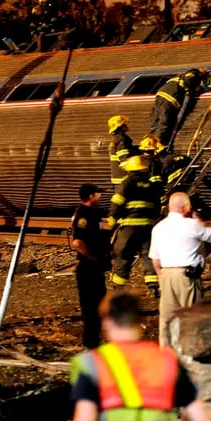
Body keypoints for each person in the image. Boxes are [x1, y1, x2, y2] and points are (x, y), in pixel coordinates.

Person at [67, 291, 211, 421]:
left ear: (107, 322)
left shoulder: (94, 363)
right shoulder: (166, 361)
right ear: (140, 322)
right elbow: (203, 420)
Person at [149, 192, 211, 347]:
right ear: (187, 207)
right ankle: (190, 351)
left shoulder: (158, 228)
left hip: (165, 274)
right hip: (187, 276)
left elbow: (155, 260)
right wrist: (199, 220)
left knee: (167, 318)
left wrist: (161, 275)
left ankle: (167, 356)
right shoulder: (192, 225)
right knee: (191, 316)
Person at [109, 155, 161, 297]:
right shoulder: (150, 184)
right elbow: (157, 205)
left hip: (130, 228)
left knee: (124, 255)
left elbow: (117, 202)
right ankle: (153, 287)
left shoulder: (127, 182)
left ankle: (119, 287)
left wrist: (112, 219)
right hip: (147, 228)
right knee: (148, 257)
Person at [71, 184, 110, 349]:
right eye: (98, 193)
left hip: (96, 268)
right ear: (90, 196)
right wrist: (93, 258)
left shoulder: (94, 214)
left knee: (99, 304)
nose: (101, 196)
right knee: (90, 307)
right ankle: (90, 343)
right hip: (88, 268)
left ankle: (95, 341)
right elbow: (77, 242)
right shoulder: (84, 215)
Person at [147, 69, 208, 149]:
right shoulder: (195, 73)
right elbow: (188, 79)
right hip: (170, 98)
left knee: (155, 124)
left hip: (160, 96)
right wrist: (192, 90)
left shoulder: (179, 76)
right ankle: (157, 146)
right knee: (164, 124)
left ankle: (148, 144)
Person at [107, 115, 135, 187]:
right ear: (120, 127)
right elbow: (124, 159)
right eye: (124, 124)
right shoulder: (121, 140)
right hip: (123, 180)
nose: (126, 125)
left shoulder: (114, 140)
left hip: (118, 179)